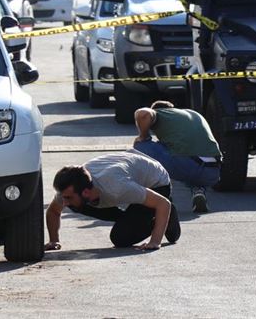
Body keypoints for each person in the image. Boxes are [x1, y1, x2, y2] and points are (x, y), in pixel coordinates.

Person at [45, 150, 181, 251]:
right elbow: (53, 212)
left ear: (86, 192)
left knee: (121, 238)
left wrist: (155, 241)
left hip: (157, 184)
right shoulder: (71, 189)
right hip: (128, 175)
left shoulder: (116, 186)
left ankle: (167, 216)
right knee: (76, 204)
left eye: (68, 197)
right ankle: (138, 217)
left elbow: (163, 203)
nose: (65, 202)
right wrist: (53, 240)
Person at [133, 100, 222, 213]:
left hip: (187, 165)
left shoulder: (161, 114)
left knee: (140, 146)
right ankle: (198, 190)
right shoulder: (192, 114)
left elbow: (143, 114)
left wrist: (143, 136)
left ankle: (156, 195)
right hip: (212, 172)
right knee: (177, 152)